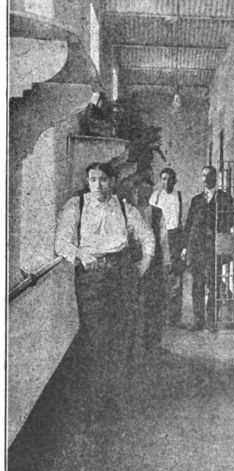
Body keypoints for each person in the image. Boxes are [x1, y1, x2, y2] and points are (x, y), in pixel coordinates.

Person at [54, 161, 155, 411]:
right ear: (88, 182)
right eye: (93, 179)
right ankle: (95, 401)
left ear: (113, 181)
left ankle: (118, 398)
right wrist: (81, 255)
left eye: (103, 179)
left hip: (122, 274)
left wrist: (144, 263)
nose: (98, 185)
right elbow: (61, 242)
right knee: (95, 337)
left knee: (122, 335)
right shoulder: (77, 205)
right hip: (91, 277)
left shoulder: (124, 208)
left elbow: (147, 236)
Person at [119, 175, 171, 354]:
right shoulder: (125, 211)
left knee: (154, 303)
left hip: (154, 265)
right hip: (130, 263)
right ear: (135, 191)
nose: (144, 195)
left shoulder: (157, 213)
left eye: (148, 192)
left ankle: (153, 344)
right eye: (141, 191)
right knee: (130, 305)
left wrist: (166, 263)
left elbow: (163, 240)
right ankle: (131, 346)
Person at [181, 165, 234, 333]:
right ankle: (198, 320)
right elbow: (189, 223)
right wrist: (185, 247)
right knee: (197, 284)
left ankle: (211, 320)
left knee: (213, 284)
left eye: (209, 176)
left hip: (214, 247)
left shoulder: (224, 198)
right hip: (197, 247)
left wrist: (219, 227)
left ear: (215, 178)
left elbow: (232, 219)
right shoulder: (196, 200)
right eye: (203, 176)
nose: (205, 179)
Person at [149, 167, 184, 326]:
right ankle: (160, 315)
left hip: (174, 237)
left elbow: (182, 221)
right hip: (159, 237)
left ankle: (174, 317)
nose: (166, 182)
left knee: (175, 276)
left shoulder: (179, 196)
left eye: (169, 179)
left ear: (174, 181)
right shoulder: (155, 196)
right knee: (159, 276)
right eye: (163, 179)